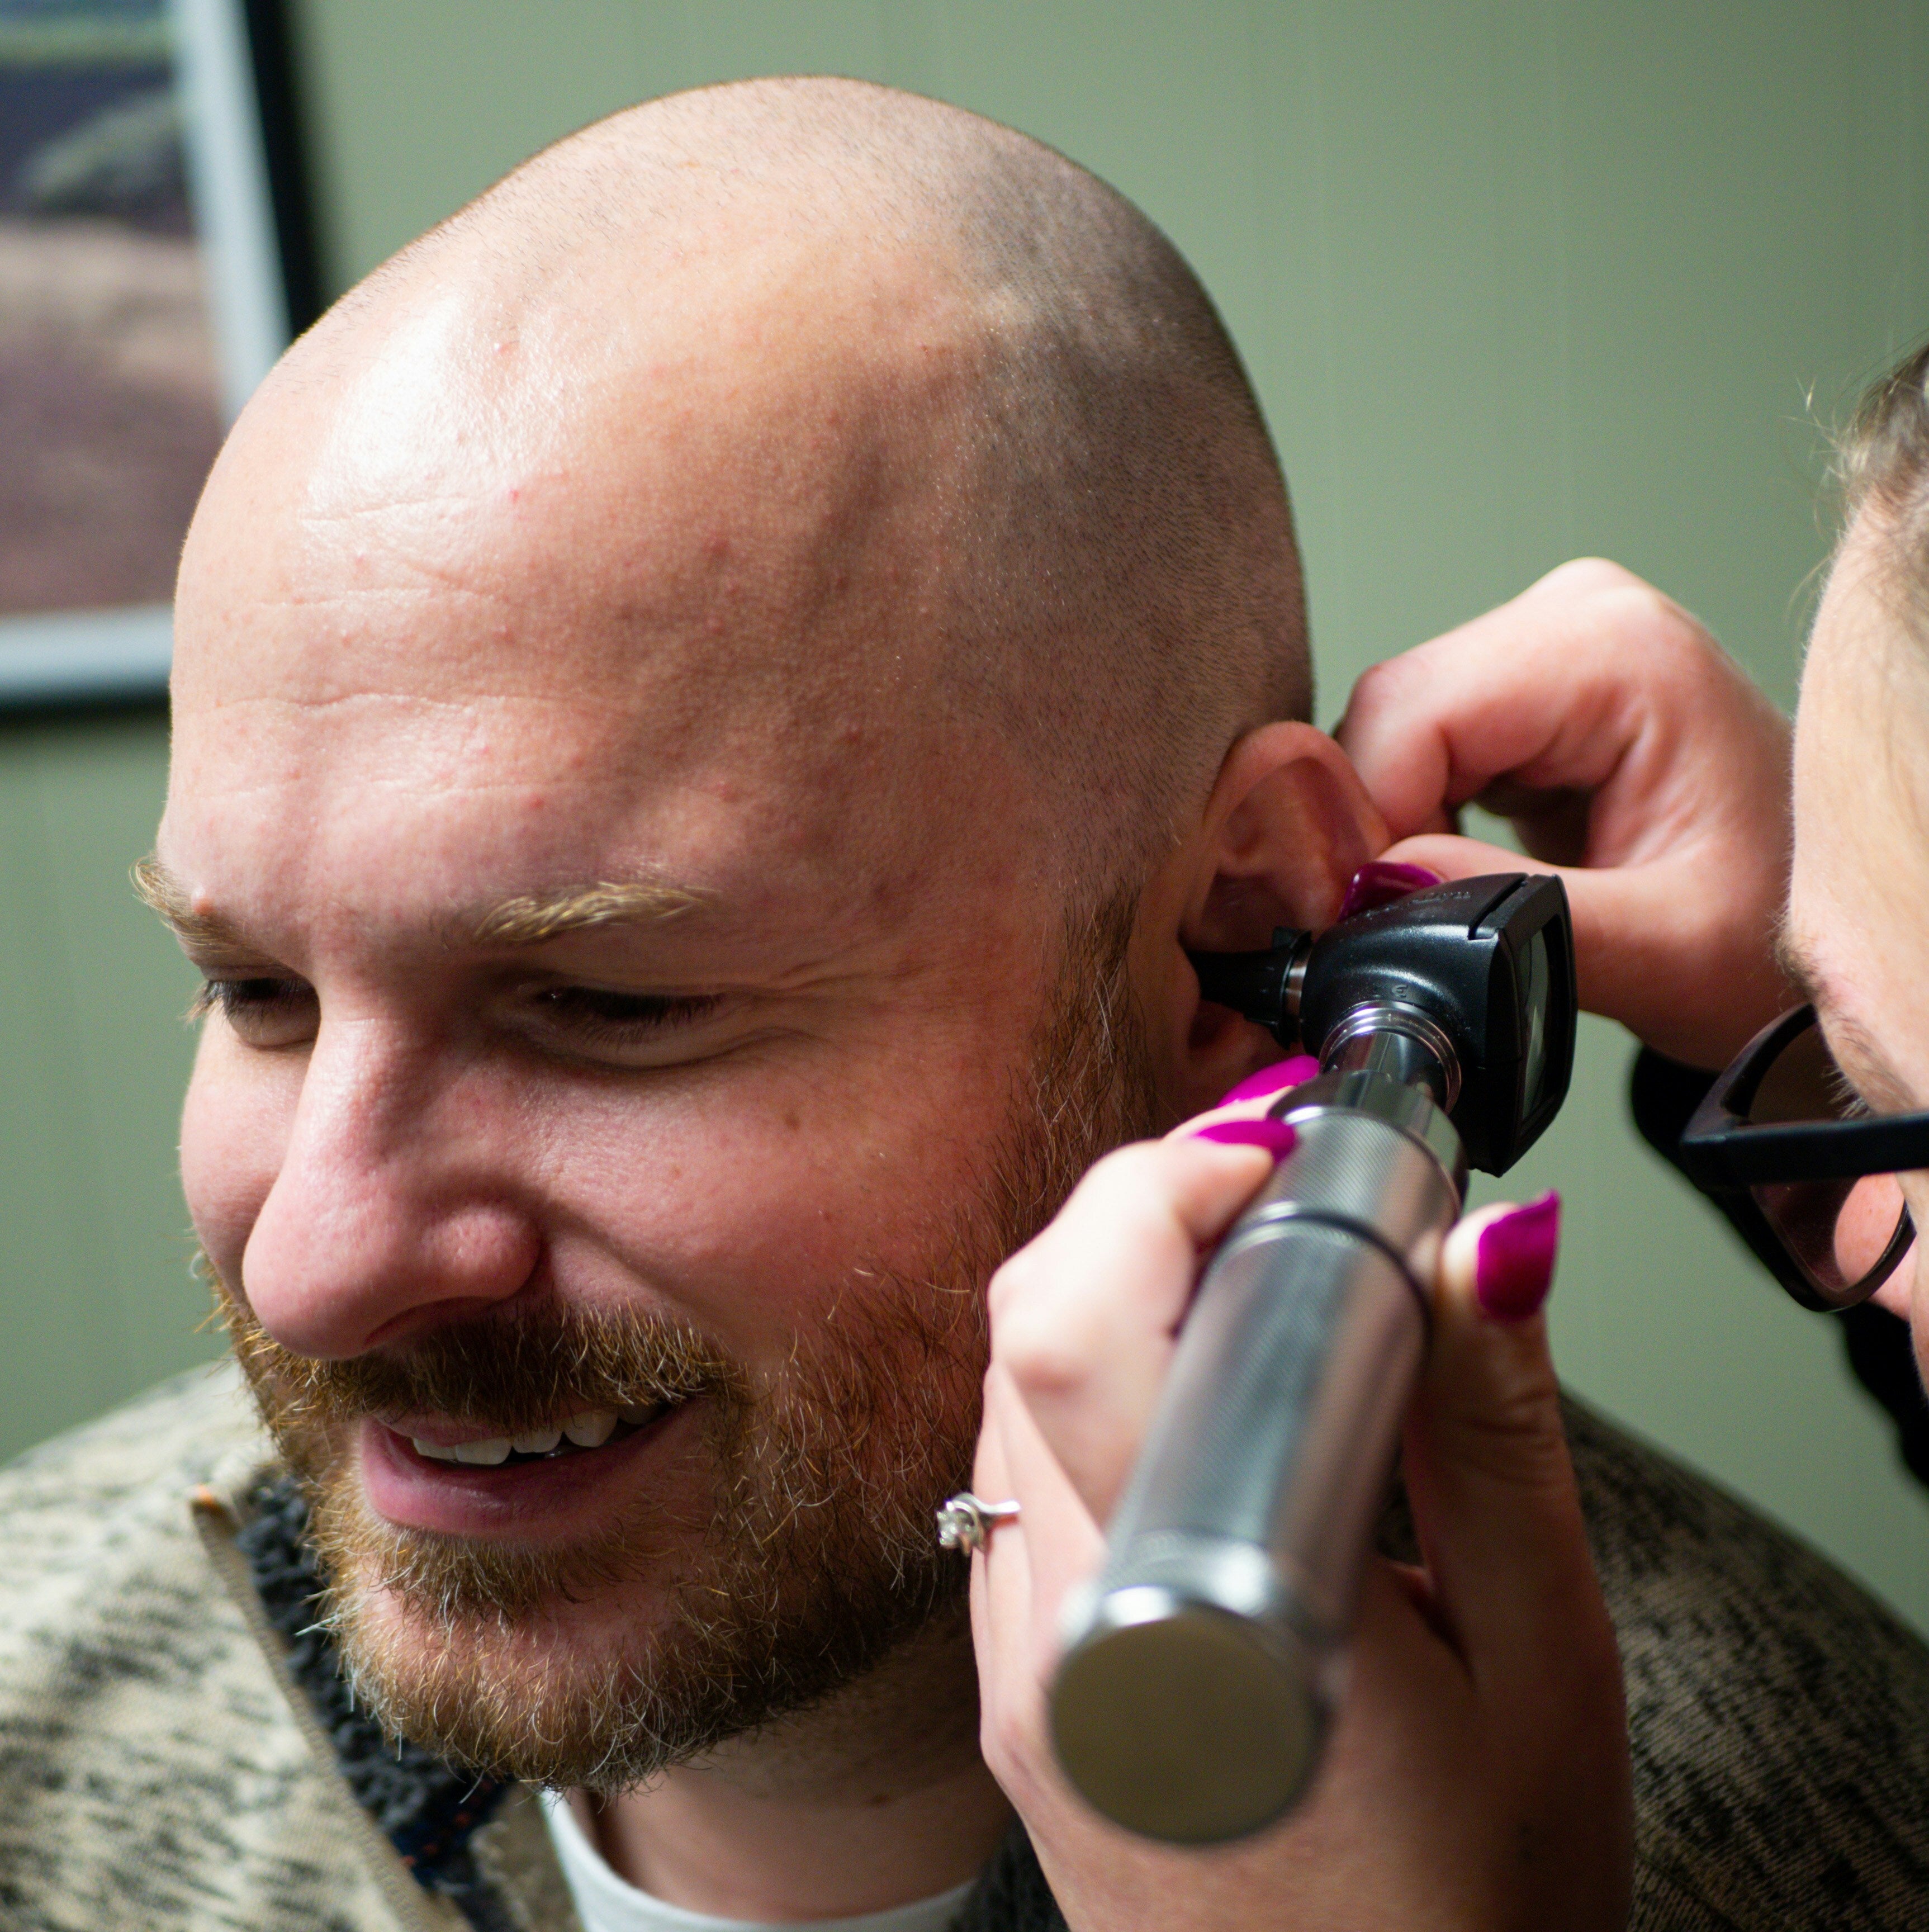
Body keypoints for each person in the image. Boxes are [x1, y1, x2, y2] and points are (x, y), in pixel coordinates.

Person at [3, 75, 1928, 1932]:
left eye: (603, 1004)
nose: (315, 1272)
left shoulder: (1816, 1842)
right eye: (251, 989)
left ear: (1229, 940)